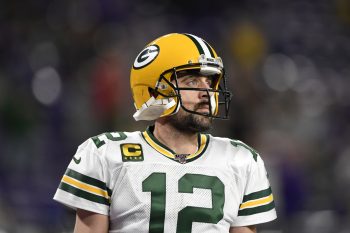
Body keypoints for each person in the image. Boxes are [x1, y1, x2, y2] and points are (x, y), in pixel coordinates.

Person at [53, 33, 277, 233]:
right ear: (154, 89)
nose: (206, 93)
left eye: (209, 82)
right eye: (192, 81)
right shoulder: (104, 154)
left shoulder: (242, 160)